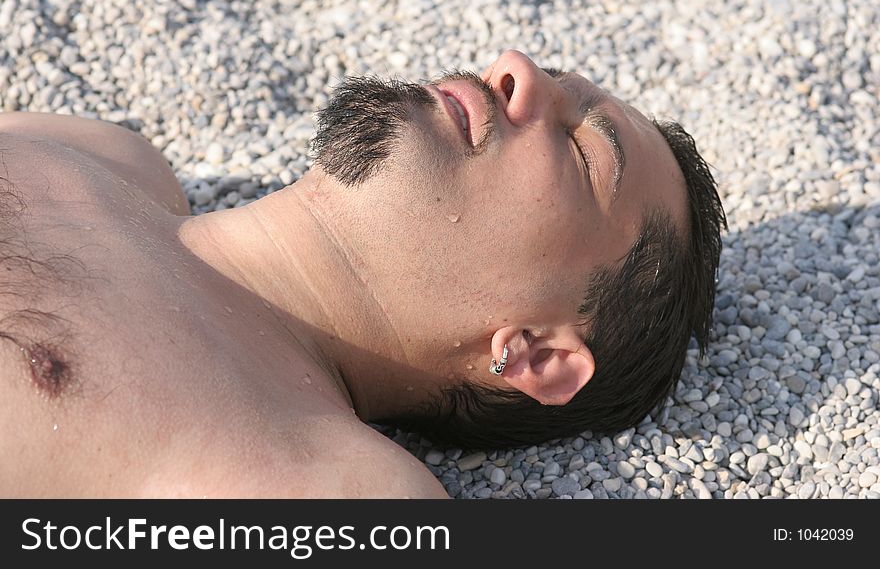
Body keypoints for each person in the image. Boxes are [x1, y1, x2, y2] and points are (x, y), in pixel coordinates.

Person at [0, 50, 725, 497]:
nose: (514, 69)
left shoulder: (326, 486)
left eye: (578, 151)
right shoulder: (103, 155)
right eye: (553, 75)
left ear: (534, 349)